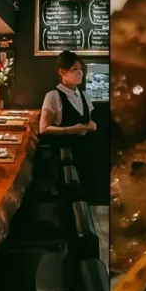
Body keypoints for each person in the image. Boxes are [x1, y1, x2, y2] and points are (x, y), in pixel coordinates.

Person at [39, 51, 97, 193]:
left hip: (84, 152)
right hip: (63, 155)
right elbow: (44, 128)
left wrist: (92, 126)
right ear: (62, 72)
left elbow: (89, 120)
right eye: (74, 69)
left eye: (80, 69)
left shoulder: (83, 95)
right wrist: (70, 129)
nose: (79, 73)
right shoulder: (53, 96)